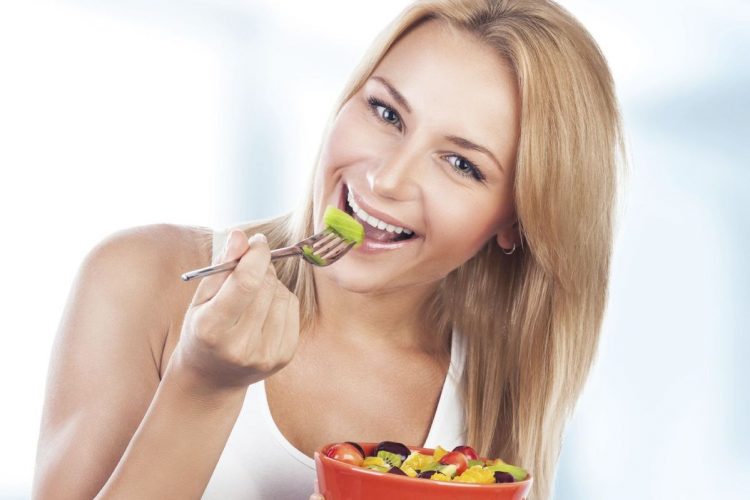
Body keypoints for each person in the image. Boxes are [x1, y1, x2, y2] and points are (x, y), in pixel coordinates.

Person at [32, 1, 623, 499]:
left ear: (515, 220)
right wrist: (203, 384)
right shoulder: (144, 278)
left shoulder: (491, 394)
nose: (388, 179)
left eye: (461, 163)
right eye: (386, 111)